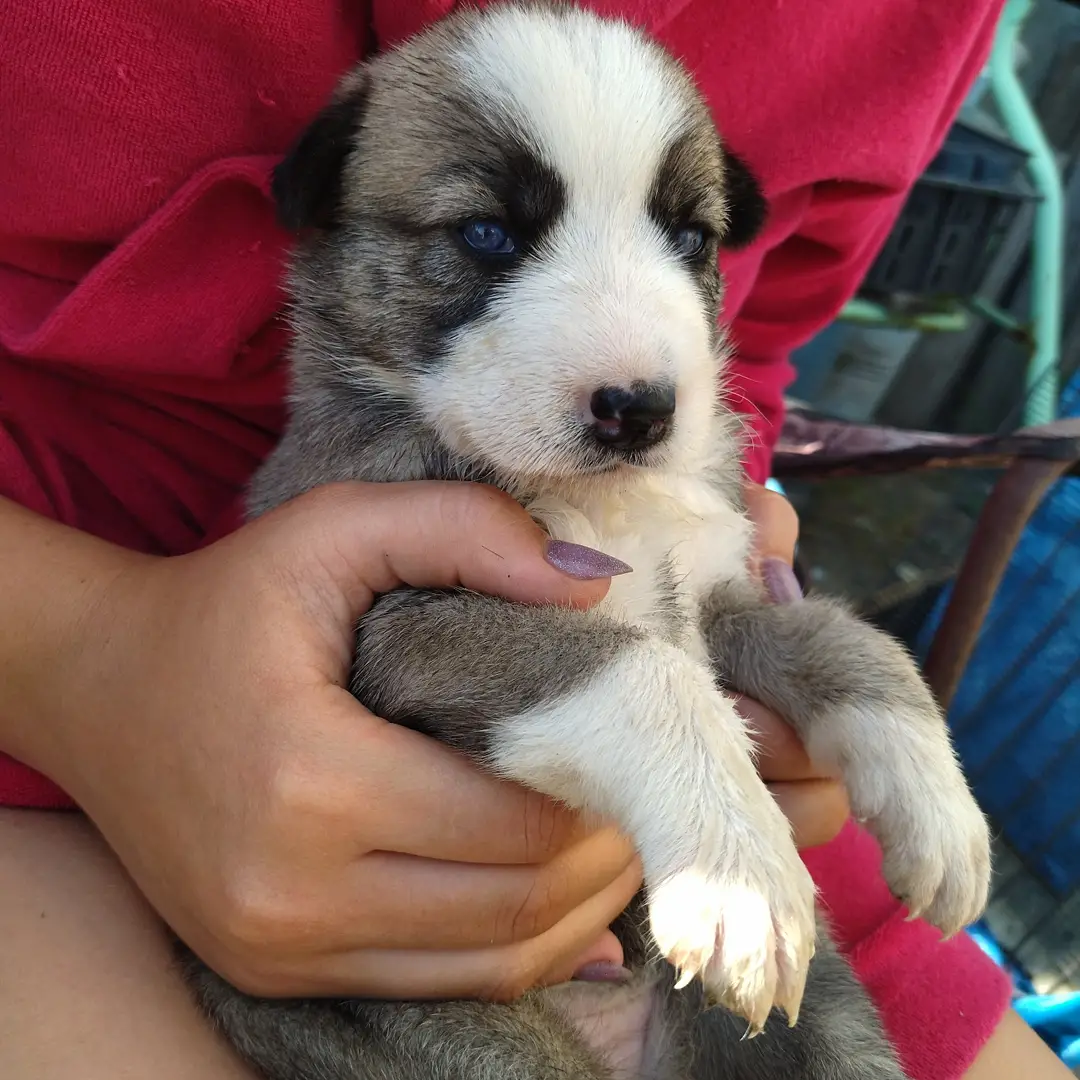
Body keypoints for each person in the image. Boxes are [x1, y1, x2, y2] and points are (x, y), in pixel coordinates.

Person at [0, 1, 1071, 1077]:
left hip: (680, 858)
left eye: (685, 237)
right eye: (486, 236)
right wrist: (86, 666)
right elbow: (413, 644)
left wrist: (870, 703)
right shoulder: (386, 458)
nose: (635, 366)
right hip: (154, 794)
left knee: (823, 1032)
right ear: (333, 217)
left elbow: (736, 575)